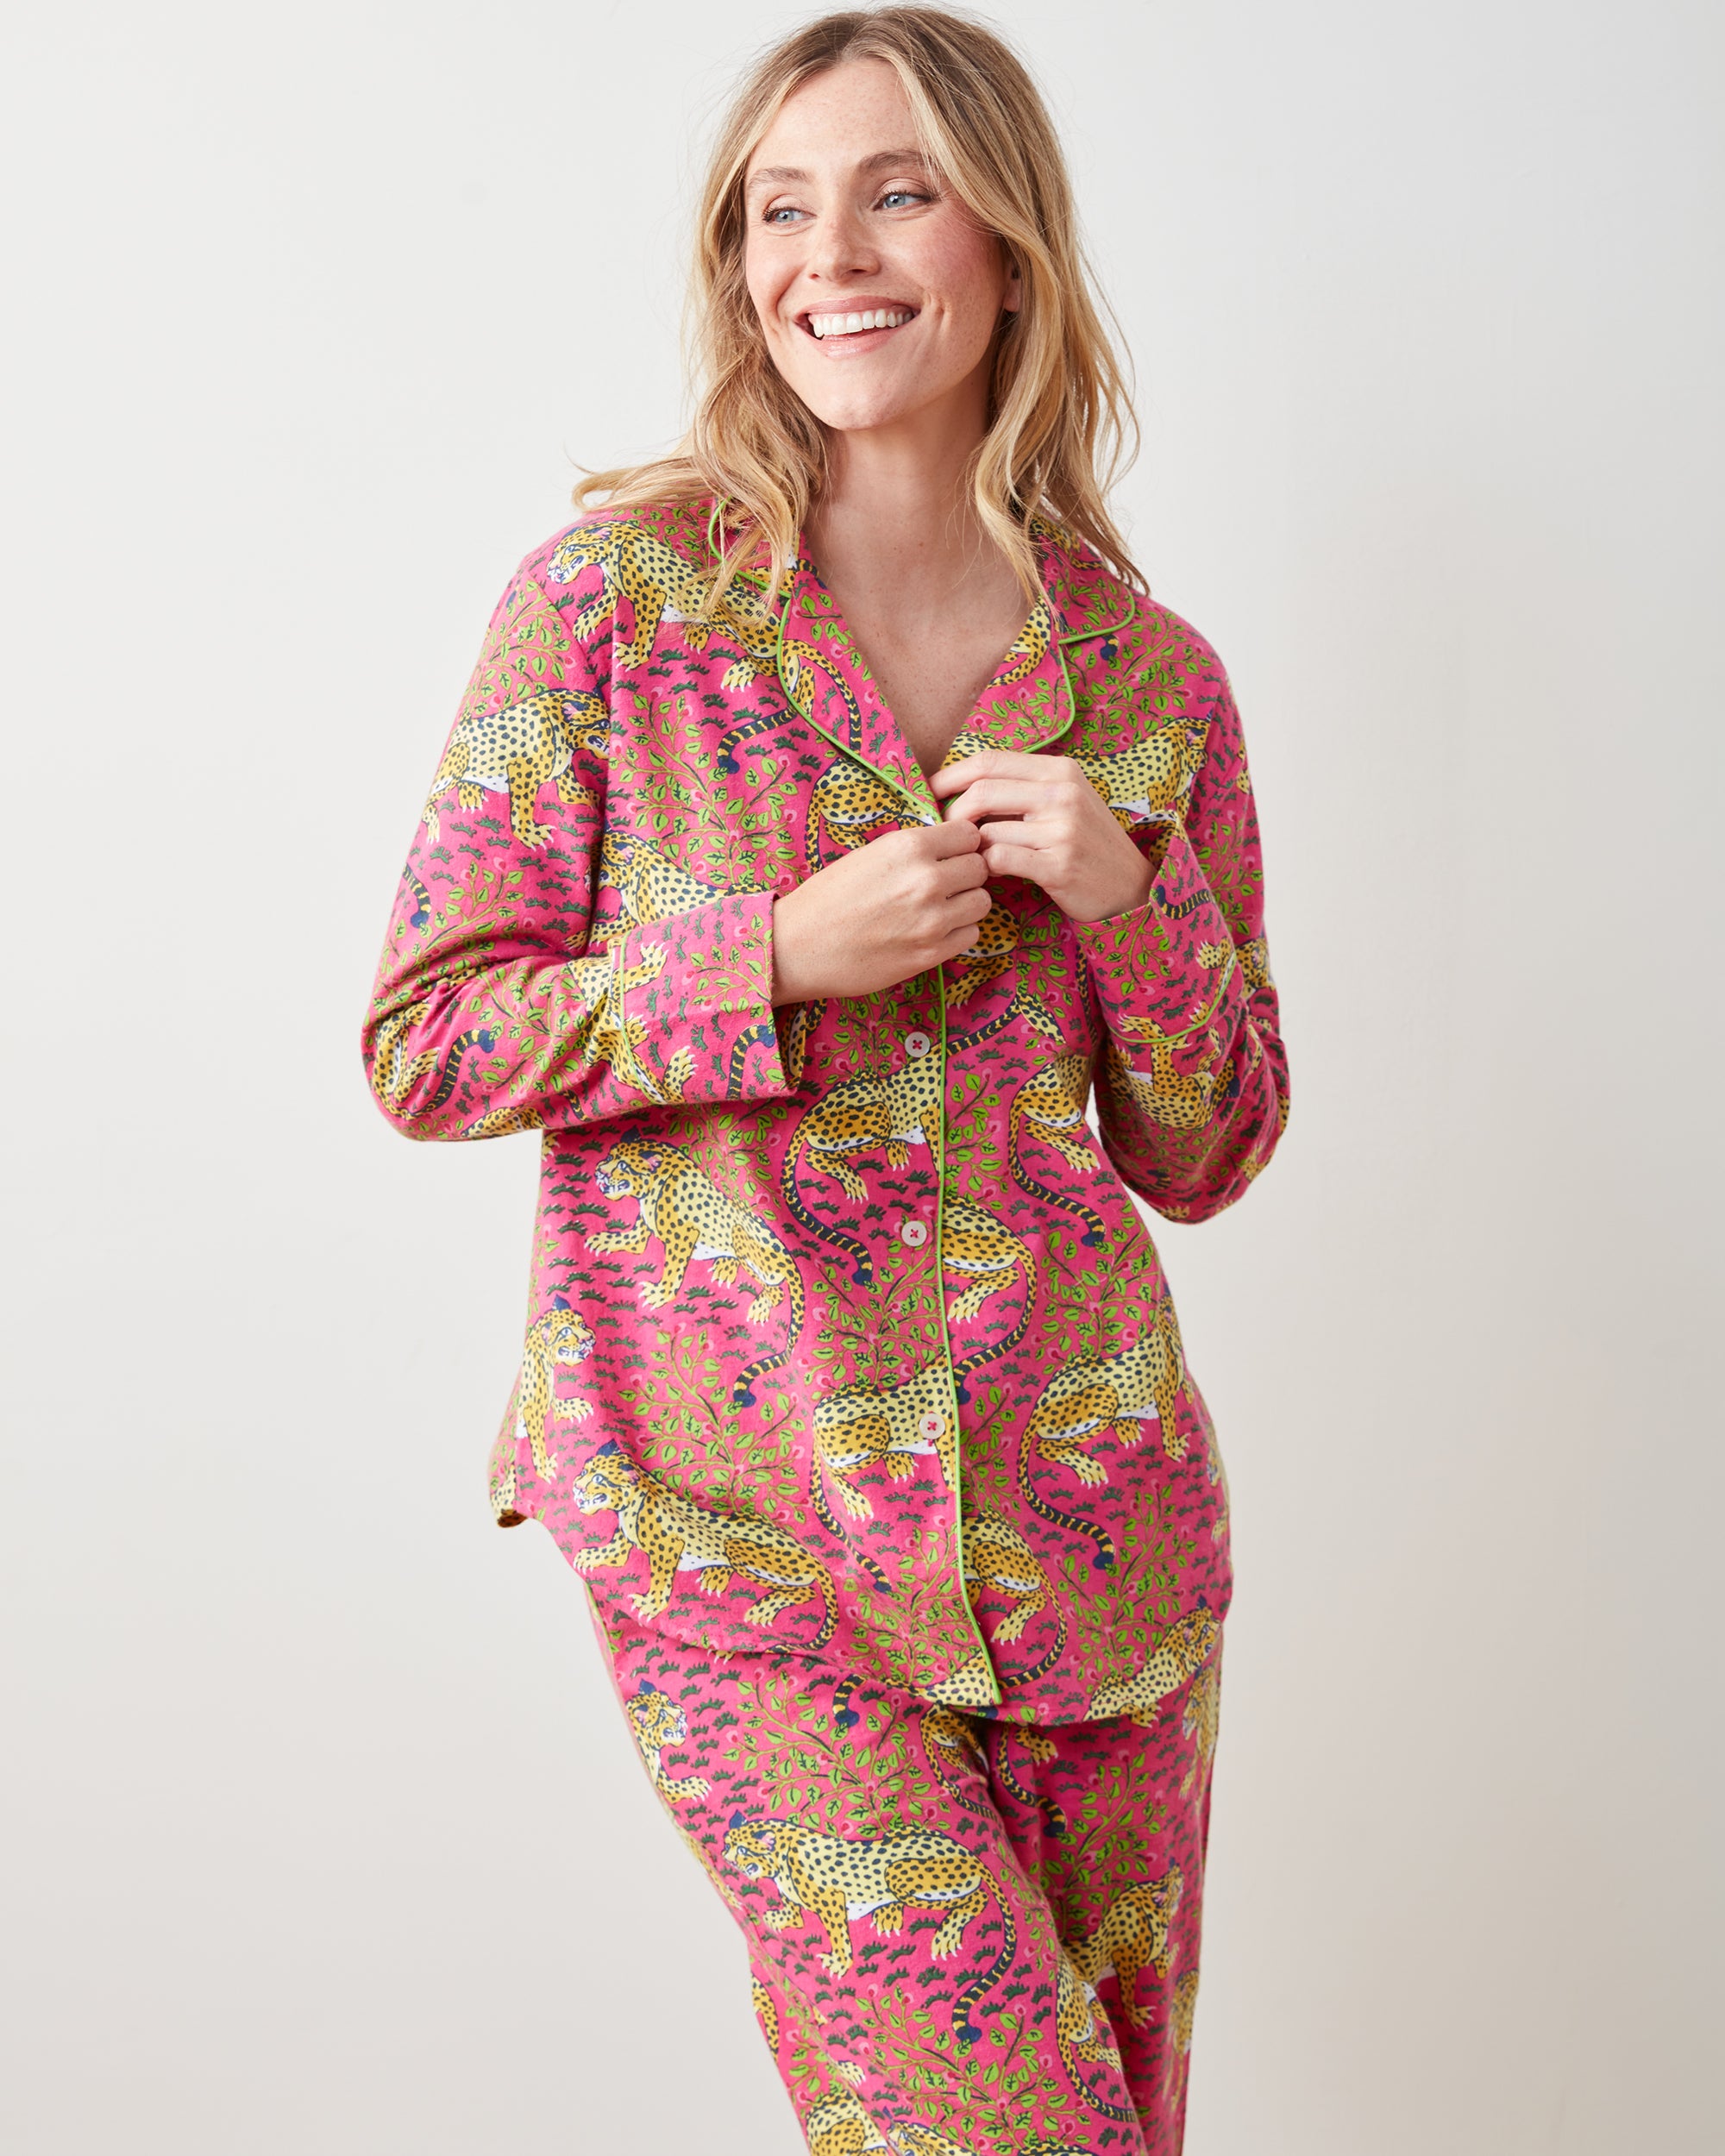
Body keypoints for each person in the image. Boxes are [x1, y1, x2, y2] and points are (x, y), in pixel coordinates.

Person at [362, 9, 1287, 2150]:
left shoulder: (1149, 681)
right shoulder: (615, 609)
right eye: (780, 208)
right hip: (742, 1543)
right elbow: (428, 1034)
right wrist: (769, 956)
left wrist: (1129, 897)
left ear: (1007, 253)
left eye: (894, 192)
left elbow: (1211, 1145)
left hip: (1095, 1552)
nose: (830, 254)